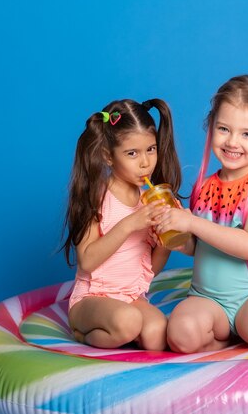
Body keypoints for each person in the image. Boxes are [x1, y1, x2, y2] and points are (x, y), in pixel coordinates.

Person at [152, 75, 248, 356]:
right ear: (211, 128)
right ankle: (226, 341)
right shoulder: (205, 184)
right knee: (181, 334)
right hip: (206, 299)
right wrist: (172, 233)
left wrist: (192, 222)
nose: (232, 142)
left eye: (247, 134)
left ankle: (246, 330)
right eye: (224, 129)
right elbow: (197, 248)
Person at [62, 98, 182, 350]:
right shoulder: (96, 197)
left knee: (157, 334)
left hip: (130, 299)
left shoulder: (149, 200)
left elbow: (152, 270)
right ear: (108, 156)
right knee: (128, 322)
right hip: (91, 300)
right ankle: (82, 334)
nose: (145, 162)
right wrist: (130, 224)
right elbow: (87, 260)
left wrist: (167, 239)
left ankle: (126, 333)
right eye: (132, 153)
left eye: (151, 149)